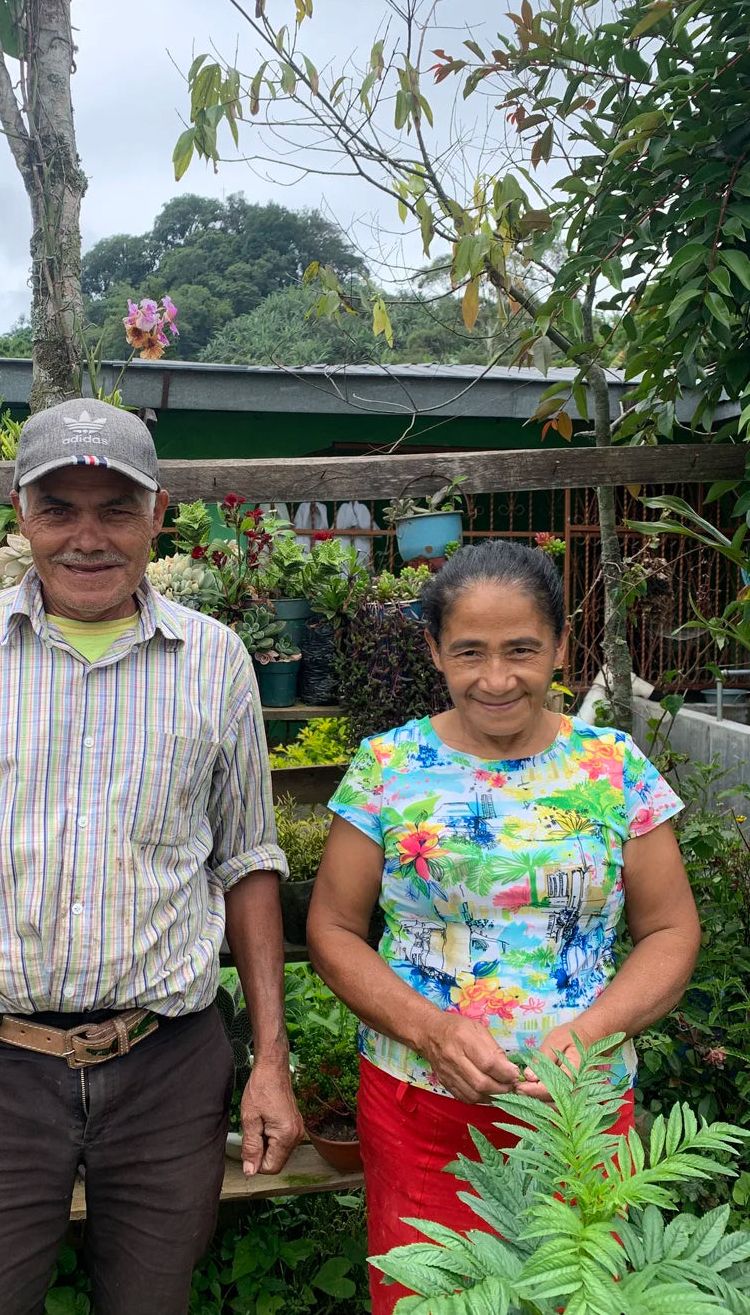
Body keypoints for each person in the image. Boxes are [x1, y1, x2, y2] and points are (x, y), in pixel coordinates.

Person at [0, 399, 303, 1315]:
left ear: (157, 514)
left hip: (168, 1066)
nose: (88, 537)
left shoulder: (217, 662)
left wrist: (272, 1058)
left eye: (116, 508)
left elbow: (248, 860)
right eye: (60, 508)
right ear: (21, 513)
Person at [306, 540, 700, 1314]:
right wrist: (430, 1030)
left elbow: (670, 931)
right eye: (469, 651)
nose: (496, 678)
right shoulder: (389, 765)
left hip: (578, 1115)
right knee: (432, 1298)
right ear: (434, 650)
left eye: (522, 649)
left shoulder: (613, 768)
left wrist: (587, 1036)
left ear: (559, 642)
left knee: (574, 1295)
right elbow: (332, 929)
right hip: (420, 1102)